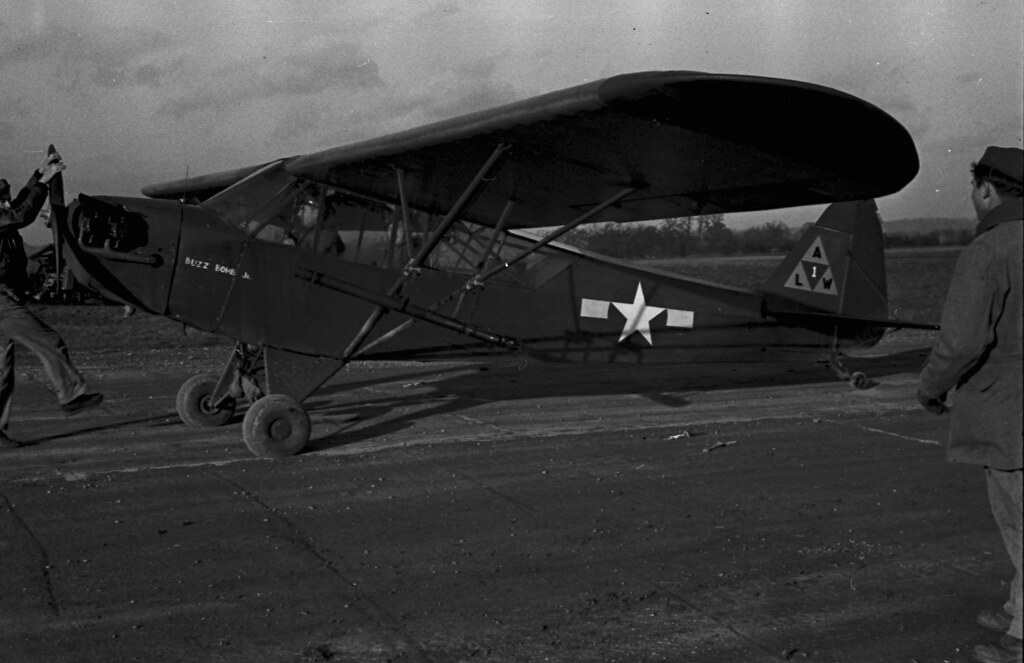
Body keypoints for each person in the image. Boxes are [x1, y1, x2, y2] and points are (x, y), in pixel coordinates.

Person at [918, 146, 1023, 663]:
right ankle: (1019, 606)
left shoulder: (988, 250)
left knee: (1019, 521)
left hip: (1010, 418)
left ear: (986, 189)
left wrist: (931, 387)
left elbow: (960, 342)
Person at [0, 153, 104, 450]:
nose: (7, 201)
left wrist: (39, 174)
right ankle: (71, 395)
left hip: (6, 296)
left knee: (2, 368)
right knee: (49, 340)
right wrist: (44, 184)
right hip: (1, 301)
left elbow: (18, 206)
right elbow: (21, 213)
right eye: (3, 197)